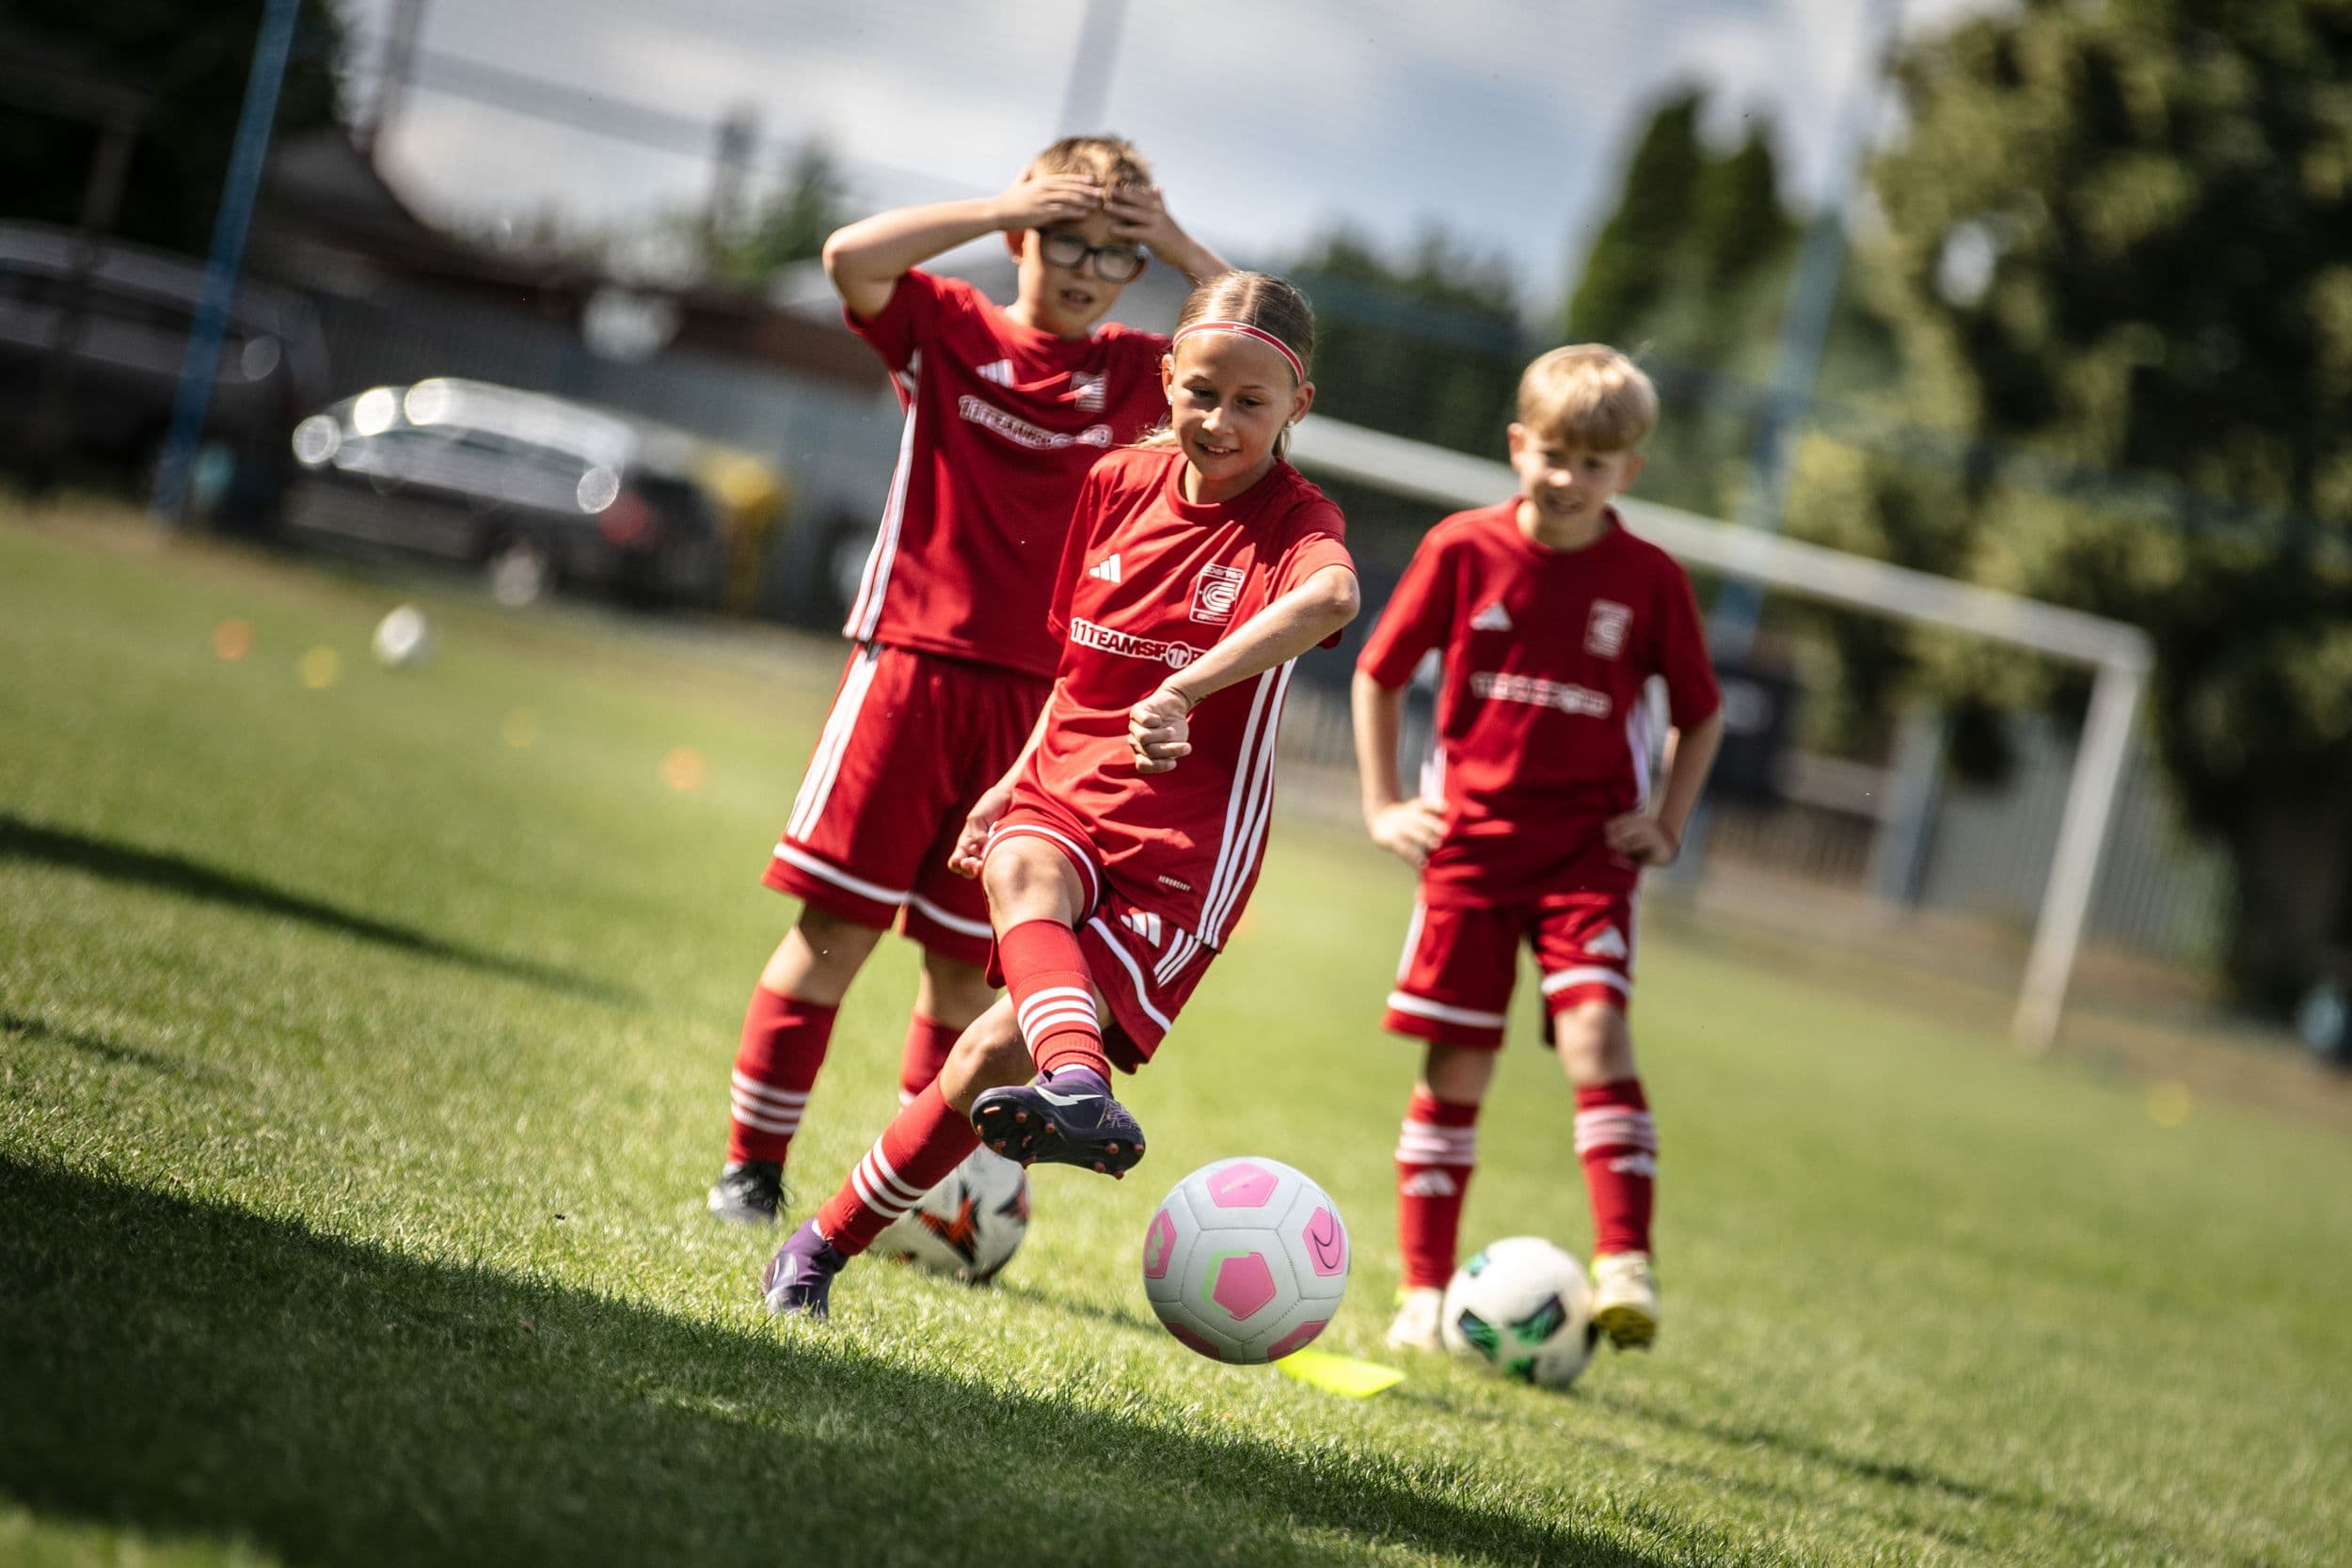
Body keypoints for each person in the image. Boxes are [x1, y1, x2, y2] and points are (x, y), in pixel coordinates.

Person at [760, 271, 1359, 1318]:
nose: (1219, 421)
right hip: (1061, 785)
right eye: (1201, 391)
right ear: (1166, 376)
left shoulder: (1296, 517)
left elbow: (1334, 595)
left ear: (1296, 408)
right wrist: (1007, 781)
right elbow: (1076, 670)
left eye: (1250, 403)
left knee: (991, 1048)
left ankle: (819, 1242)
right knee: (1019, 861)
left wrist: (1188, 681)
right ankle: (1079, 1087)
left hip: (1182, 848)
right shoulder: (1114, 482)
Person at [709, 136, 1232, 1224]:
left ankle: (921, 1201)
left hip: (1044, 720)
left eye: (1113, 251)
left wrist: (1170, 240)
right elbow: (850, 255)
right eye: (1063, 237)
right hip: (911, 671)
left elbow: (1244, 328)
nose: (1087, 267)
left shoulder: (1145, 373)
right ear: (1020, 238)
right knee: (832, 936)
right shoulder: (949, 326)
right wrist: (1003, 198)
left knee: (964, 975)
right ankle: (751, 1171)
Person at [1351, 344, 1723, 1354]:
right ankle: (1424, 1293)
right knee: (1455, 1065)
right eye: (1553, 454)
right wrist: (1386, 804)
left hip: (1587, 856)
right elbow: (1378, 673)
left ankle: (1624, 1263)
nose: (1568, 479)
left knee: (1598, 1036)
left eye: (1593, 464)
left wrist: (1666, 820)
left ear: (1628, 472)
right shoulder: (1461, 549)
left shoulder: (1648, 579)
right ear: (1519, 446)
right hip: (1468, 848)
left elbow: (1699, 711)